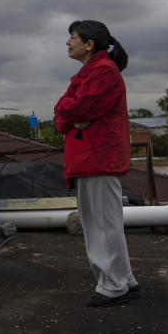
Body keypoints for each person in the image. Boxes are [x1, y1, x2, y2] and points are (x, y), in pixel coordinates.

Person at [54, 20, 139, 307]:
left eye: (72, 38)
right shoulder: (93, 72)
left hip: (95, 157)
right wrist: (68, 115)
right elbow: (64, 111)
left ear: (89, 44)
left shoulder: (101, 72)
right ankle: (123, 279)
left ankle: (113, 286)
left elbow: (75, 107)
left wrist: (69, 113)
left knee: (100, 225)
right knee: (106, 223)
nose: (68, 43)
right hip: (93, 157)